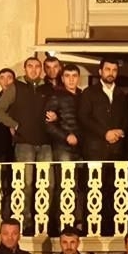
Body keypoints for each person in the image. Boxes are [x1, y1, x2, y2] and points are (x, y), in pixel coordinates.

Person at [0, 57, 54, 232]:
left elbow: (56, 109)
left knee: (48, 184)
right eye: (30, 66)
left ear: (41, 69)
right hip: (24, 142)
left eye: (37, 67)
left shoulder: (48, 88)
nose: (34, 70)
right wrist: (15, 124)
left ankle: (43, 221)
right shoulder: (16, 87)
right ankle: (26, 222)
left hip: (45, 142)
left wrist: (55, 117)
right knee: (26, 184)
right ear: (25, 69)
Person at [44, 64, 84, 228]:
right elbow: (47, 124)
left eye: (74, 76)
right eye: (67, 76)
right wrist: (66, 136)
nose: (71, 79)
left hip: (82, 146)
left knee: (80, 186)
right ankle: (63, 222)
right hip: (63, 147)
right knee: (65, 184)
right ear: (62, 78)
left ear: (78, 78)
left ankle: (78, 221)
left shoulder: (83, 95)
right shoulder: (56, 96)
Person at [78, 57, 128, 160]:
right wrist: (104, 133)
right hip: (94, 150)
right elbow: (84, 117)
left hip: (116, 150)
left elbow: (125, 117)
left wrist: (121, 131)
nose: (111, 73)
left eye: (114, 70)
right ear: (100, 71)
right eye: (108, 69)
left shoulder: (121, 94)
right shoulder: (89, 92)